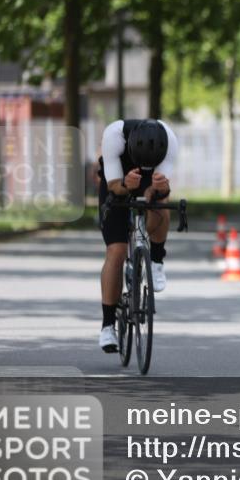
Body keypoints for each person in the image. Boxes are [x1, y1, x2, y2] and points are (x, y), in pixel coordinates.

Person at [97, 119, 179, 353]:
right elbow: (114, 186)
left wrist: (156, 189)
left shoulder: (169, 141)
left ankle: (156, 260)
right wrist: (125, 184)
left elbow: (159, 192)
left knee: (160, 204)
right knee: (117, 250)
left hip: (150, 180)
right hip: (119, 178)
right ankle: (108, 326)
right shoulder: (114, 136)